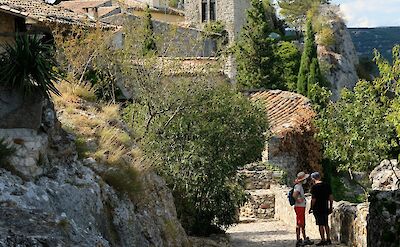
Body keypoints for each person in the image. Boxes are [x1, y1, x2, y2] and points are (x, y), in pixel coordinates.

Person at [309, 172, 333, 246]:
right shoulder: (327, 185)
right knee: (326, 223)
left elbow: (313, 199)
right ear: (319, 177)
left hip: (317, 208)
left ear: (313, 178)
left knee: (320, 224)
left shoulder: (314, 187)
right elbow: (331, 197)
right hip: (325, 206)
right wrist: (331, 207)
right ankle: (328, 239)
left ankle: (323, 240)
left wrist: (311, 208)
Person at [293, 171, 313, 246]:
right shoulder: (298, 186)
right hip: (299, 207)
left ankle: (303, 238)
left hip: (300, 206)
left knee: (301, 223)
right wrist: (298, 200)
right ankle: (299, 240)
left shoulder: (298, 186)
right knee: (300, 223)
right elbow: (294, 195)